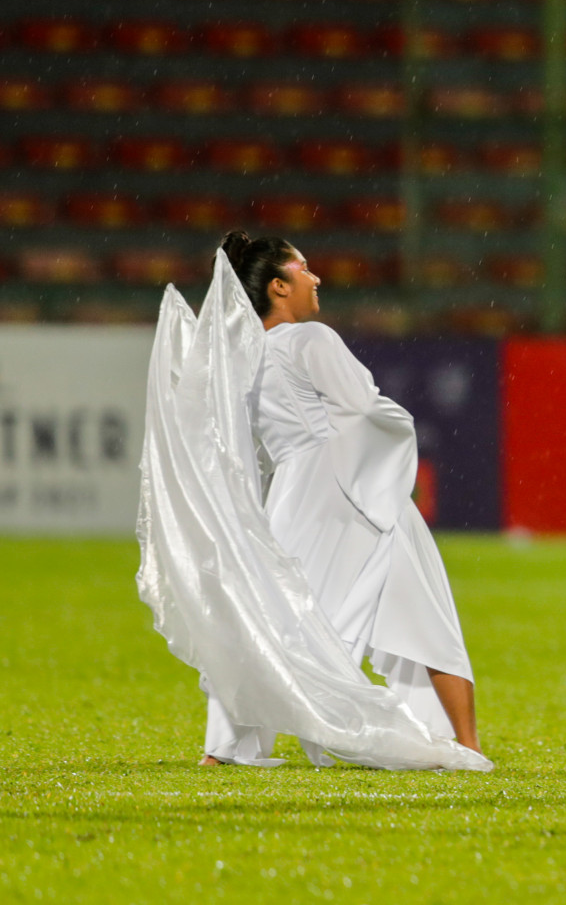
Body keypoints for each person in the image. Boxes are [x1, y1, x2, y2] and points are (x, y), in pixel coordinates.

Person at [136, 234, 488, 771]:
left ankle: (226, 748)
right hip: (351, 486)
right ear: (279, 286)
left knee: (269, 616)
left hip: (291, 496)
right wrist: (398, 439)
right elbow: (363, 408)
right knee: (427, 613)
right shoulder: (311, 340)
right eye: (303, 268)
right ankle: (466, 743)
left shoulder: (236, 357)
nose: (316, 277)